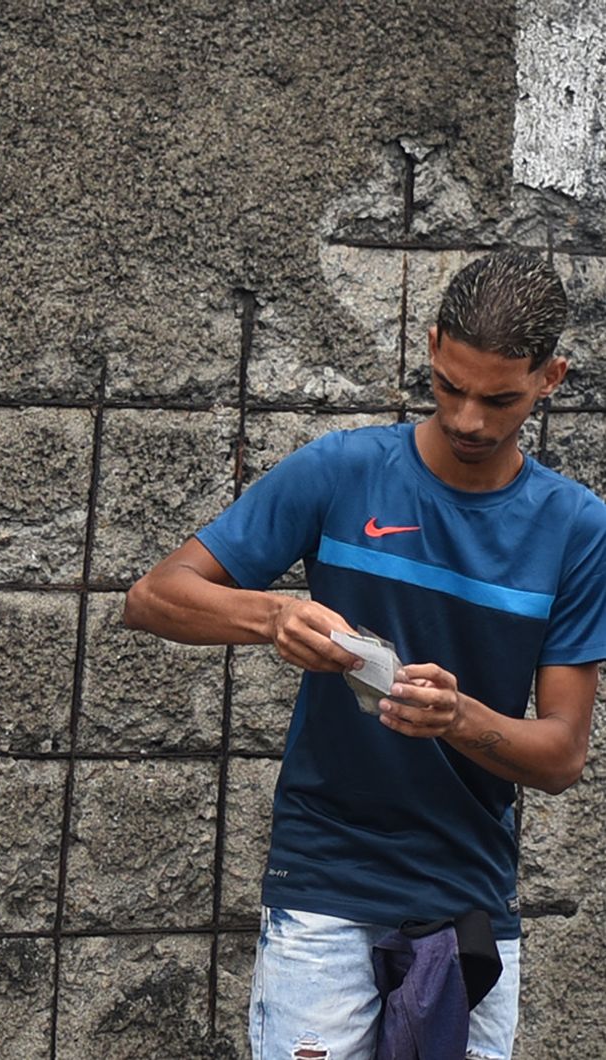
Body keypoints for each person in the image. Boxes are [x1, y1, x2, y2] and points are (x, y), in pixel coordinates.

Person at [123, 250, 606, 1059]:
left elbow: (559, 758)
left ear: (551, 378)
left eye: (501, 399)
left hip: (469, 896)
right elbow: (152, 597)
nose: (468, 420)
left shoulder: (577, 529)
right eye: (450, 386)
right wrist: (271, 614)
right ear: (429, 344)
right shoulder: (343, 468)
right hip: (325, 877)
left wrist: (457, 717)